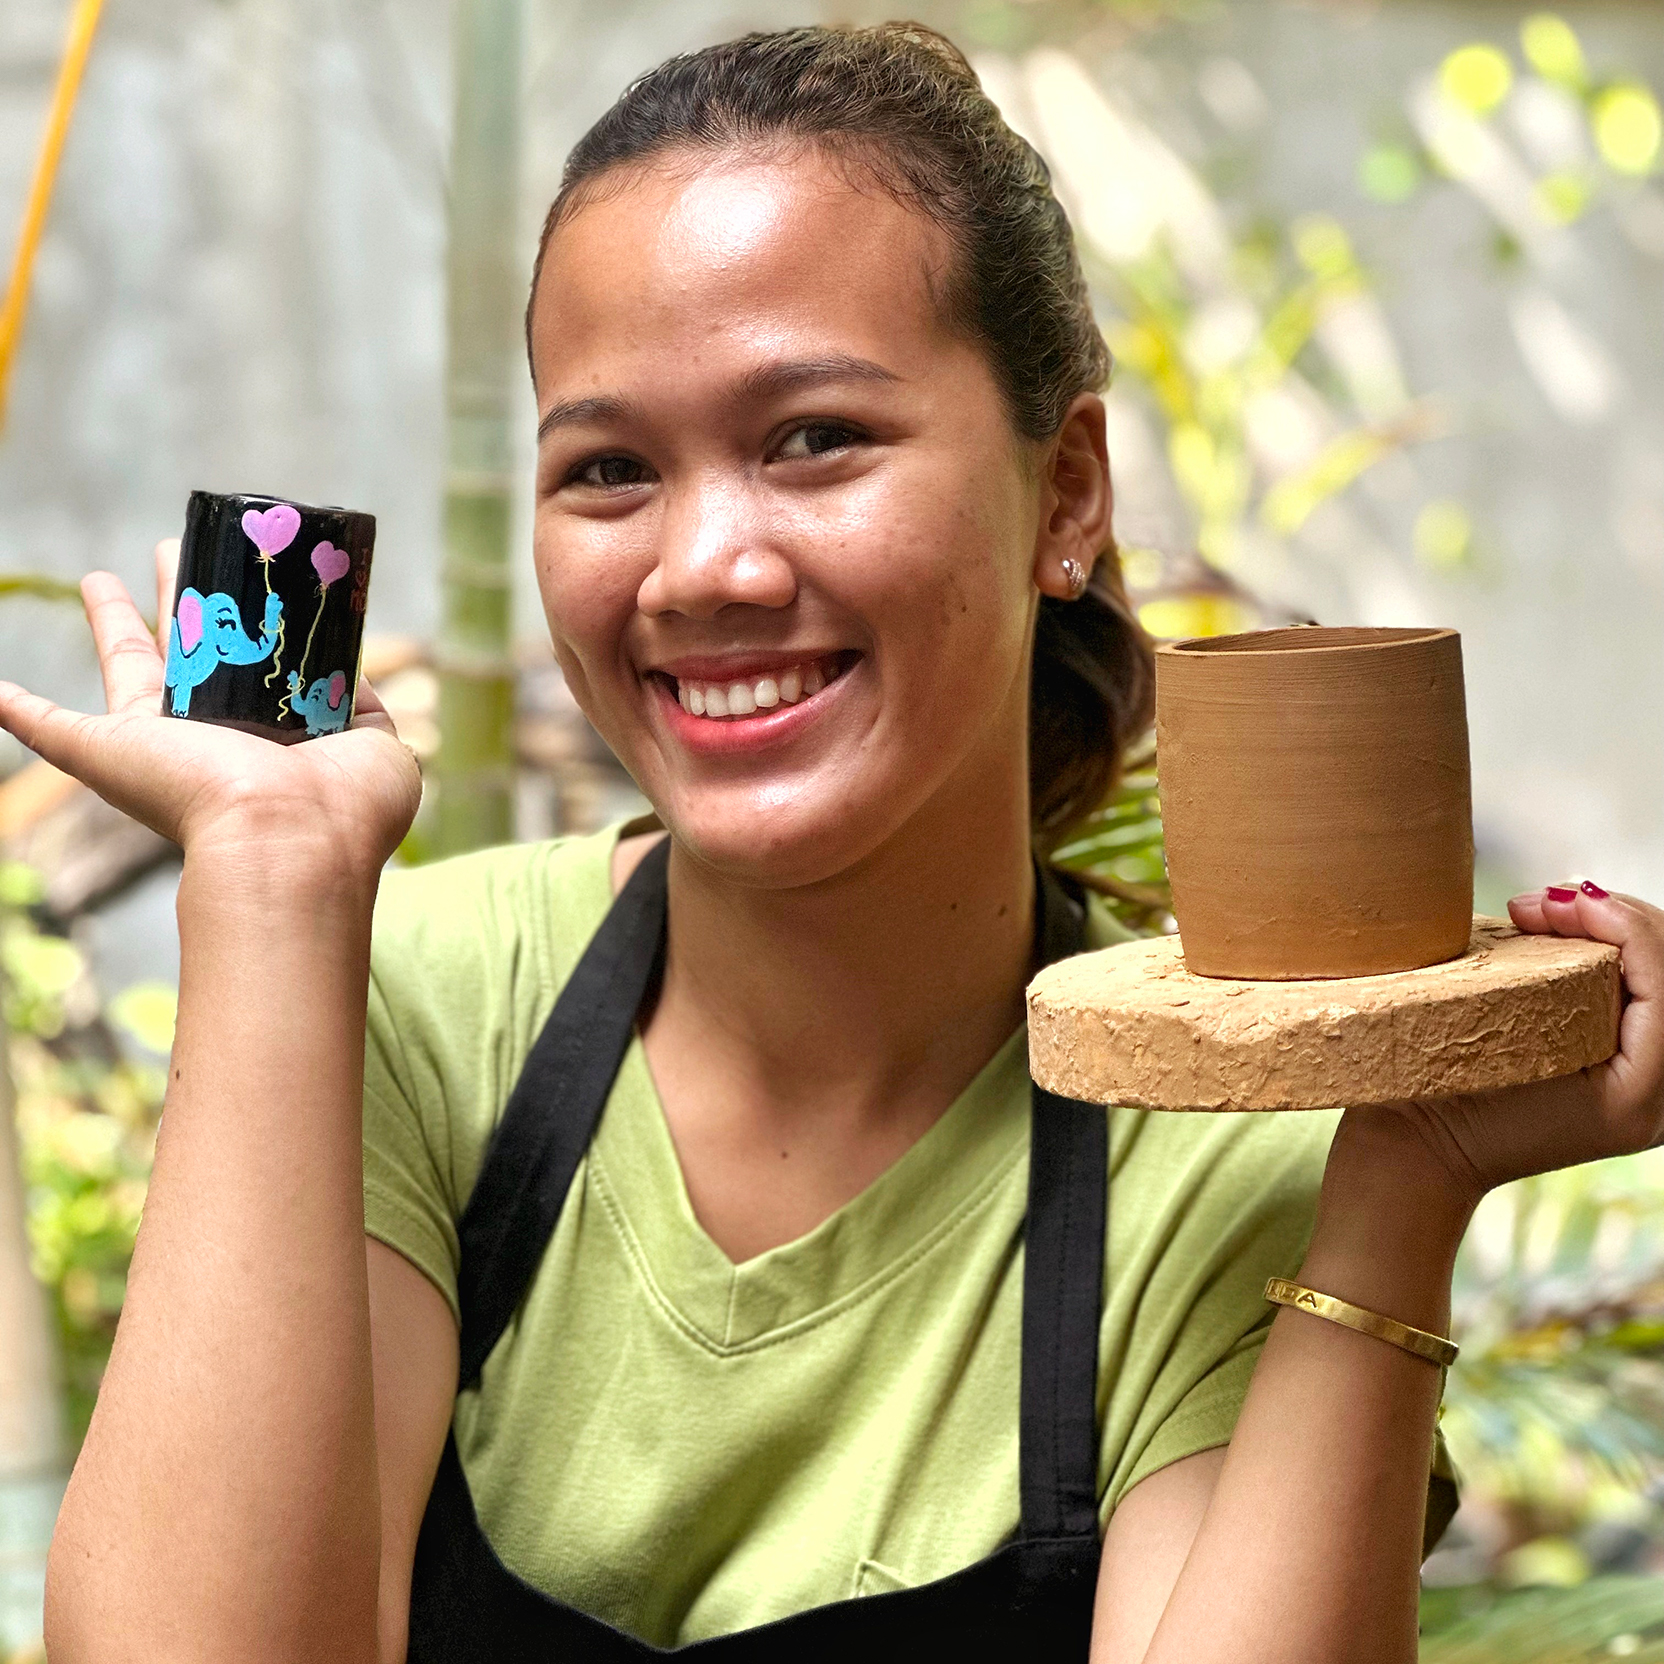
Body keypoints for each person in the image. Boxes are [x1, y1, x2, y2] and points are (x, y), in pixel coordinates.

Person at [3, 23, 1659, 1664]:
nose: (703, 565)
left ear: (1067, 493)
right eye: (608, 468)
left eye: (814, 439)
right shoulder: (426, 1012)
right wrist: (277, 882)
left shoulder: (1213, 1143)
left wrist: (1401, 1190)